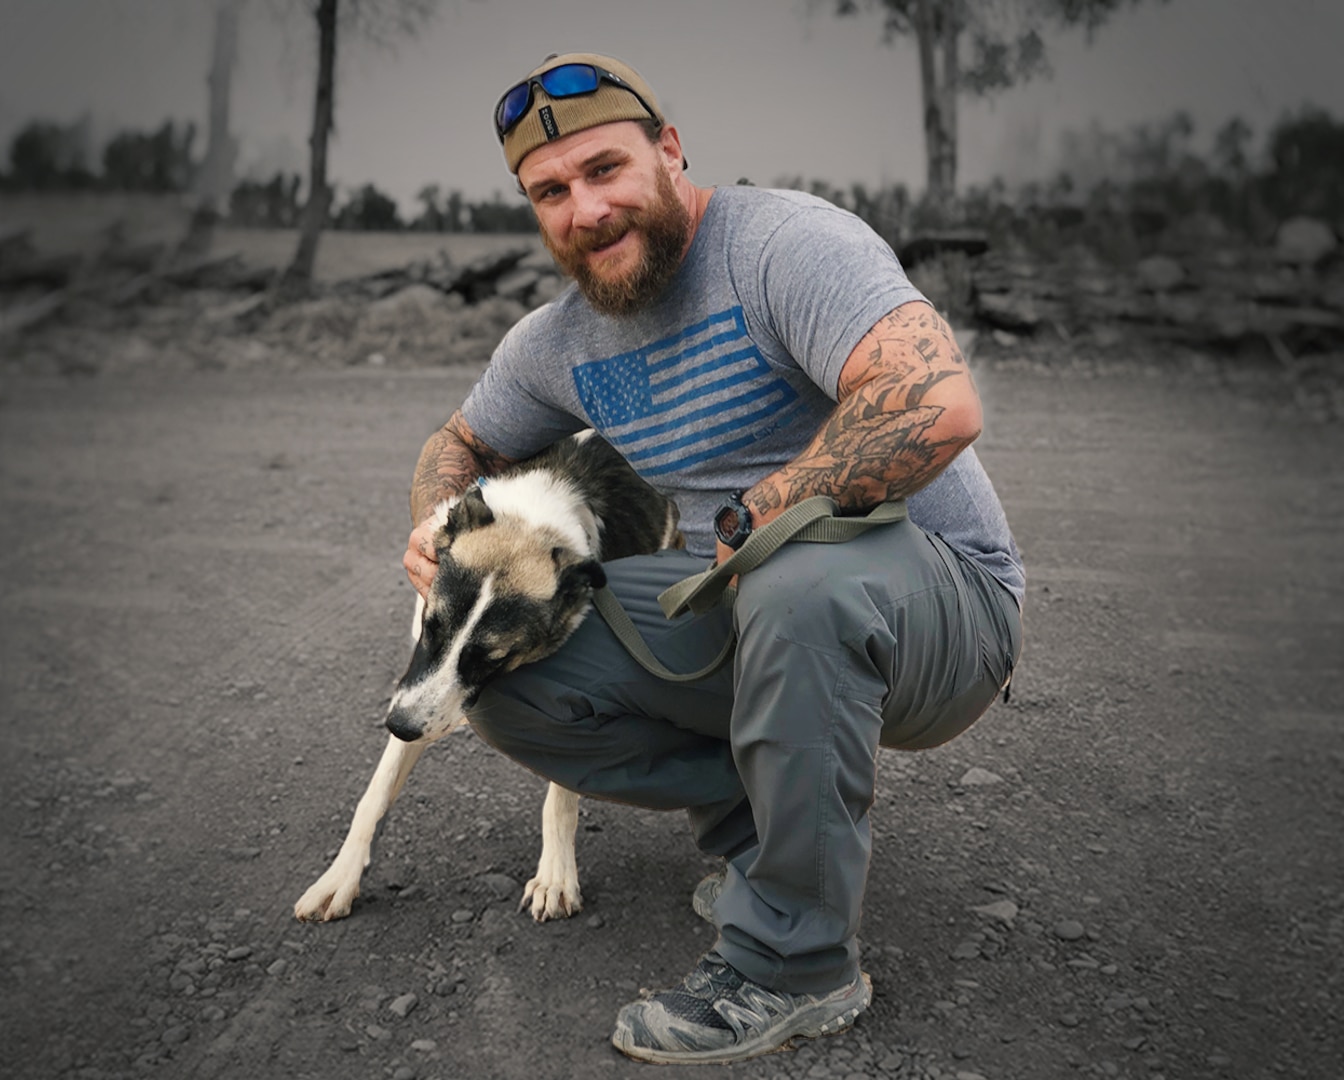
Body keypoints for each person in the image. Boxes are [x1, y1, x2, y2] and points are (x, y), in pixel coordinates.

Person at [401, 52, 1024, 1065]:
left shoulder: (783, 245)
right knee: (505, 670)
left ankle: (796, 964)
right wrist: (441, 524)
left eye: (606, 169)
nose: (586, 208)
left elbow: (935, 403)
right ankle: (763, 851)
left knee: (793, 567)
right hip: (764, 610)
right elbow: (457, 444)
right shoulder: (556, 343)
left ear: (670, 150)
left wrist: (755, 514)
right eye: (551, 192)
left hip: (943, 614)